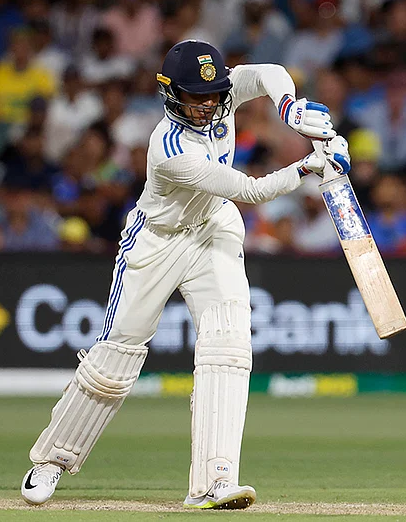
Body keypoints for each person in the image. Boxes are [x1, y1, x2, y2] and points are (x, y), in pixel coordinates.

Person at [20, 40, 350, 509]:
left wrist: (291, 109)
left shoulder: (221, 93)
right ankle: (51, 460)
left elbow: (271, 71)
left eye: (212, 95)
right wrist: (309, 166)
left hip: (212, 229)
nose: (206, 106)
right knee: (115, 361)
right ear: (170, 93)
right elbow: (250, 190)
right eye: (195, 97)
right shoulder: (169, 147)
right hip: (157, 240)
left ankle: (214, 482)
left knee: (229, 346)